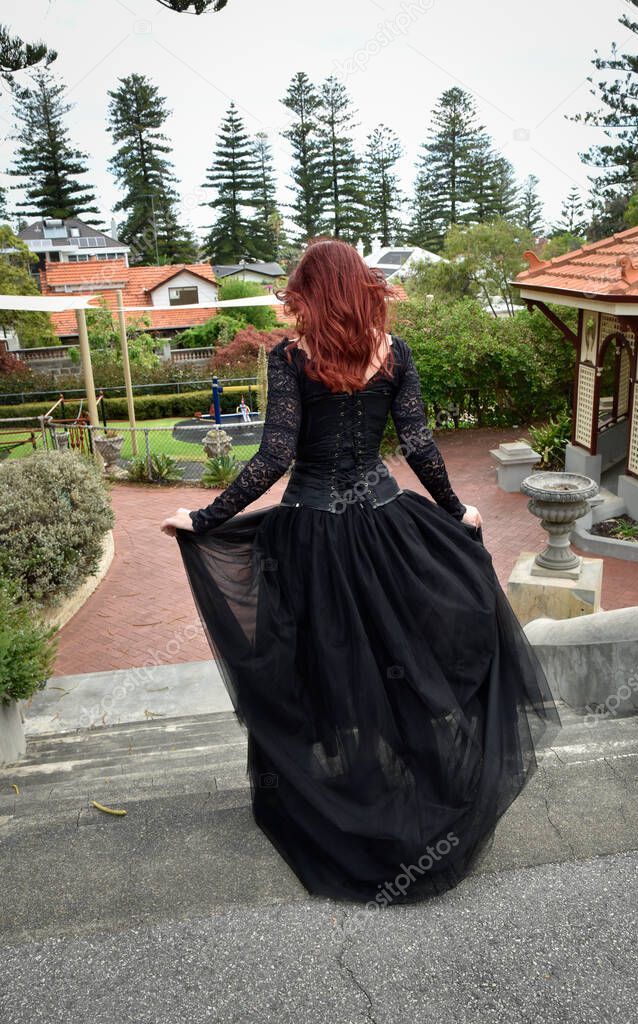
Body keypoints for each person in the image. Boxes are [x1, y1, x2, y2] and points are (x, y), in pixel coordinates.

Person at [161, 239, 561, 906]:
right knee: (392, 658)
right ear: (362, 289)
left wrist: (204, 517)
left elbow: (275, 456)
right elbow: (418, 445)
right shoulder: (393, 353)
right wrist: (456, 509)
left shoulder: (292, 356)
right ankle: (399, 787)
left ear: (309, 294)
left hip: (312, 535)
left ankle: (333, 796)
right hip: (384, 526)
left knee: (316, 664)